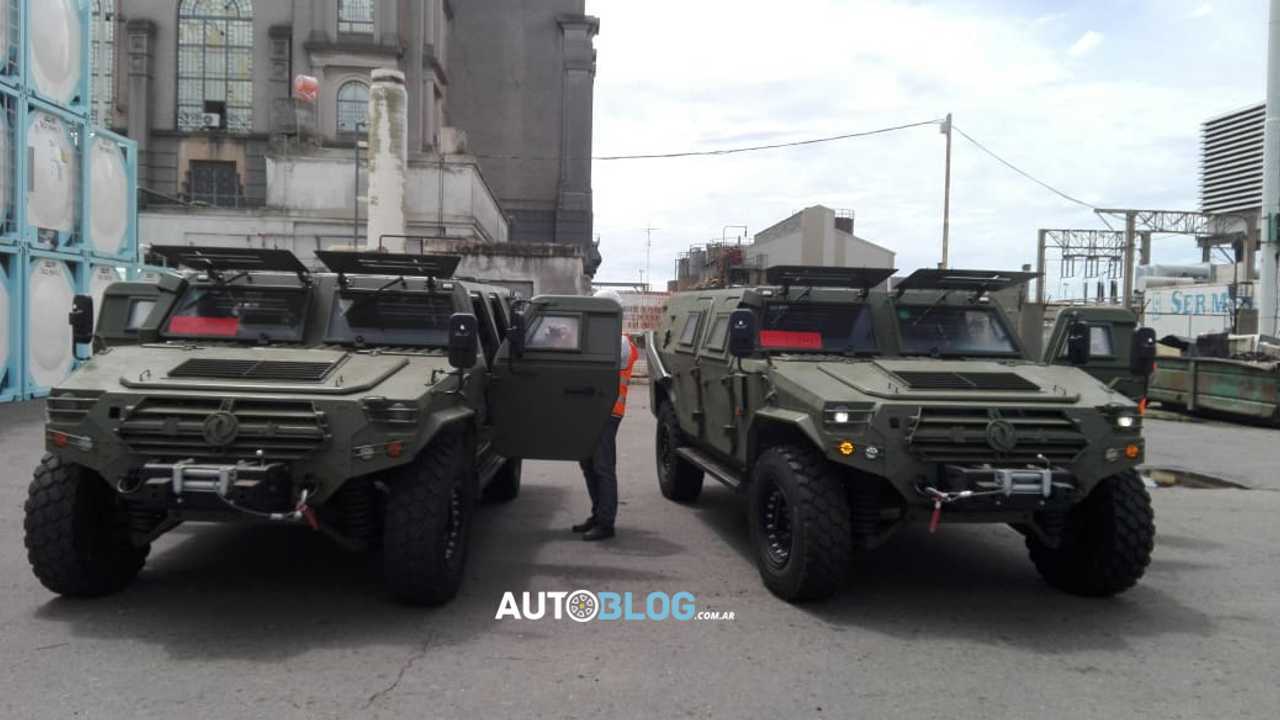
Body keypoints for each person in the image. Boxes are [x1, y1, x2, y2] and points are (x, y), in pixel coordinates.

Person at [573, 290, 639, 541]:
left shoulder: (620, 342)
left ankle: (606, 523)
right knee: (588, 464)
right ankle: (598, 514)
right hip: (594, 411)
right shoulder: (605, 337)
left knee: (602, 467)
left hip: (608, 412)